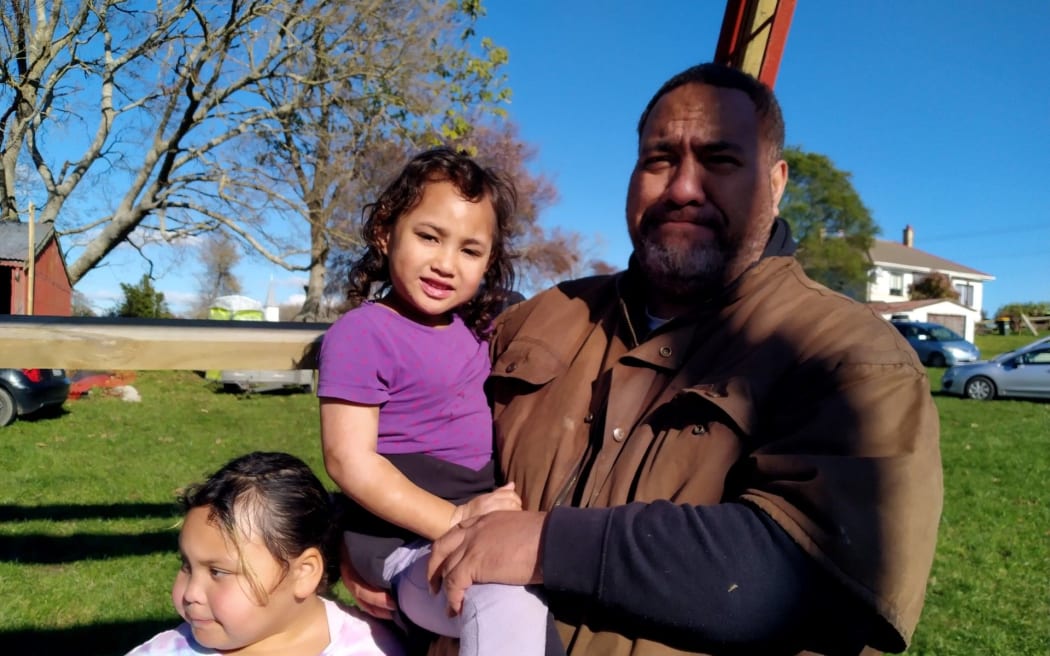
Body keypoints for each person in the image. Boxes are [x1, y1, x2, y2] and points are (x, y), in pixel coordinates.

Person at [346, 63, 943, 655]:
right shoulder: (543, 316)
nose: (684, 187)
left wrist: (548, 544)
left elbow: (827, 576)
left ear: (777, 181)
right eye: (660, 160)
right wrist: (358, 541)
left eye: (720, 161)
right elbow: (401, 427)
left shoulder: (849, 357)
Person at [317, 148, 549, 655]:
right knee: (498, 591)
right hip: (403, 543)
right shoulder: (362, 334)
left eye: (470, 250)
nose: (445, 263)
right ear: (385, 231)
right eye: (428, 236)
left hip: (480, 514)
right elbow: (348, 459)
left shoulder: (486, 329)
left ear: (490, 261)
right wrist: (455, 521)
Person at [125, 451, 405, 656]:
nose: (190, 593)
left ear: (304, 572)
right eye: (186, 565)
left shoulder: (375, 649)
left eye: (217, 571)